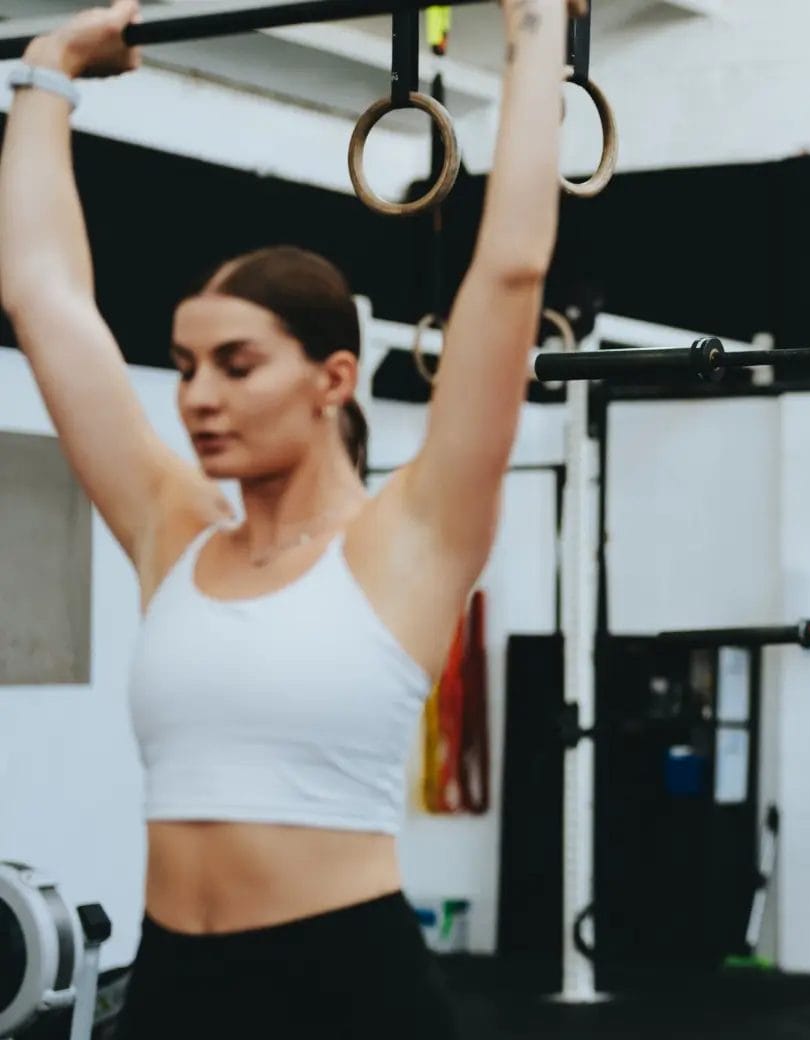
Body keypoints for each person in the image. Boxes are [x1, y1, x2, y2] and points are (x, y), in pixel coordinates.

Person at [0, 0, 569, 1034]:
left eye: (237, 364)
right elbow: (43, 296)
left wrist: (536, 30)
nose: (198, 398)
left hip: (344, 989)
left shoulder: (411, 535)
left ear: (332, 377)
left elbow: (511, 270)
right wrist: (48, 72)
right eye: (184, 367)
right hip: (174, 986)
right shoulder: (173, 529)